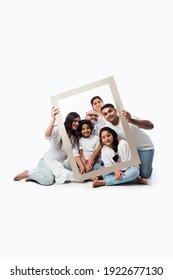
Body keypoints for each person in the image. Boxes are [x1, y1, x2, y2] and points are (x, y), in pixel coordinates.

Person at [13, 107, 80, 185]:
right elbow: (47, 136)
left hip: (59, 165)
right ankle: (29, 174)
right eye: (75, 121)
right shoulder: (58, 129)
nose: (77, 123)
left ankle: (41, 174)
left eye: (78, 121)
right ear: (69, 121)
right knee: (48, 181)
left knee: (72, 177)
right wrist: (53, 119)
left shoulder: (74, 137)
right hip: (47, 161)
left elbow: (75, 153)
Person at [101, 103, 154, 179]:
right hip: (129, 151)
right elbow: (106, 142)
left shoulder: (127, 118)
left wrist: (131, 120)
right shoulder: (108, 127)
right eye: (105, 114)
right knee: (127, 171)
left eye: (110, 111)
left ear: (115, 111)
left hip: (144, 148)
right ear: (104, 117)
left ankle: (147, 165)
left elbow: (151, 126)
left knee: (144, 174)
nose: (108, 114)